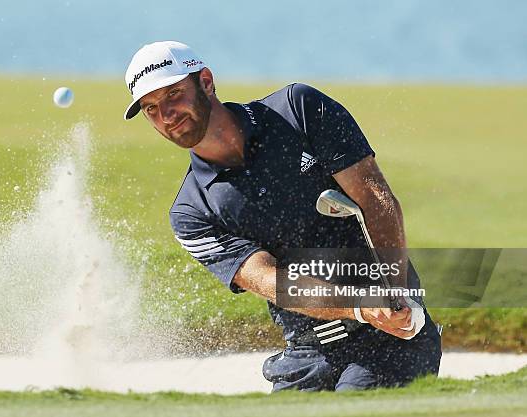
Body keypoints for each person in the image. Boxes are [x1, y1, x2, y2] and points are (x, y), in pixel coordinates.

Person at [123, 40, 441, 392]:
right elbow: (269, 279)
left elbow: (375, 196)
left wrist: (396, 294)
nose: (167, 115)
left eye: (173, 95)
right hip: (305, 355)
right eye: (151, 109)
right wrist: (359, 306)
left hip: (390, 338)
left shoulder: (297, 109)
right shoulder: (192, 211)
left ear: (206, 81)